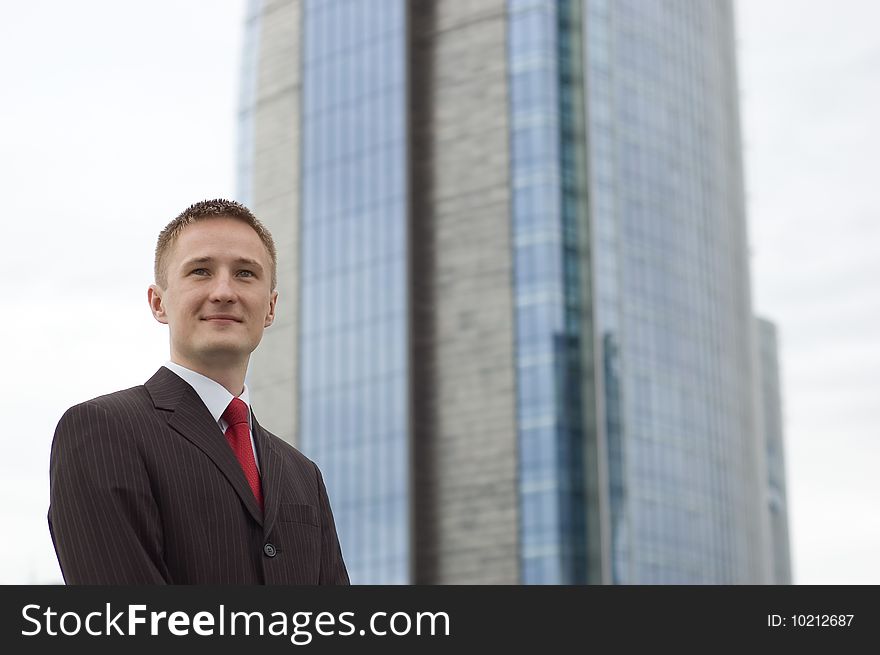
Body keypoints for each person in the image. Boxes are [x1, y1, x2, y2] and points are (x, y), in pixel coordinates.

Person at [48, 199, 349, 584]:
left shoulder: (303, 475)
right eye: (201, 271)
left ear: (270, 308)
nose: (223, 291)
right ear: (159, 303)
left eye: (244, 274)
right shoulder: (102, 430)